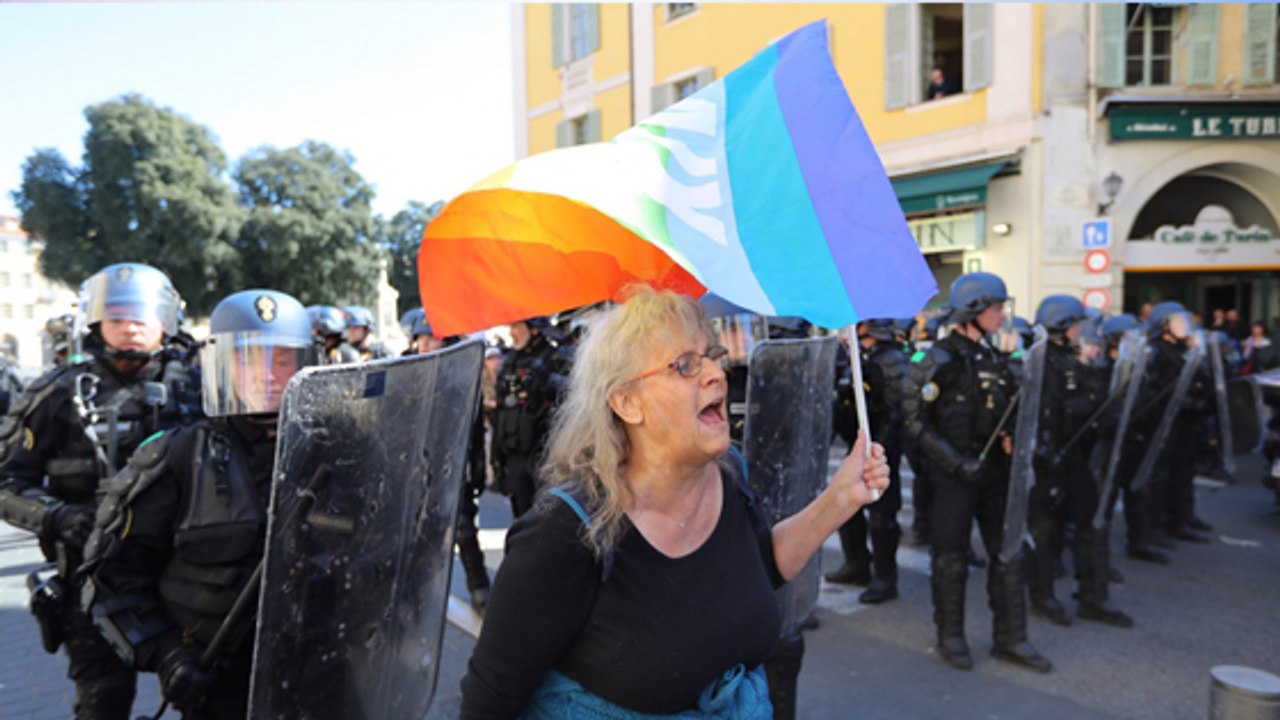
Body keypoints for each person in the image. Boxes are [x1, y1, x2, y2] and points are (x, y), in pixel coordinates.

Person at [459, 286, 889, 718]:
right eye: (685, 365)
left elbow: (759, 566)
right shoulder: (562, 532)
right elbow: (491, 699)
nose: (716, 374)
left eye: (712, 354)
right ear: (626, 403)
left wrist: (841, 497)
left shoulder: (730, 472)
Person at [81, 289, 316, 720]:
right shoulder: (177, 457)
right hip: (219, 683)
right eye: (249, 359)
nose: (267, 374)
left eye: (282, 359)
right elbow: (111, 577)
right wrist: (167, 655)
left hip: (325, 674)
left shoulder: (341, 454)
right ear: (222, 365)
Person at [0, 262, 201, 720]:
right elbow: (6, 480)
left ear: (166, 321)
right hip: (92, 577)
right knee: (103, 699)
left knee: (204, 689)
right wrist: (58, 518)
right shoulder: (57, 393)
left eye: (141, 316)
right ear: (94, 322)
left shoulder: (198, 384)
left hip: (186, 573)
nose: (130, 326)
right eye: (116, 316)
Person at [903, 272, 1051, 673]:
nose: (1002, 314)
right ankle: (950, 636)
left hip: (994, 474)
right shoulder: (935, 358)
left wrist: (1009, 436)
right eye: (996, 306)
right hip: (953, 477)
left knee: (1008, 555)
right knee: (950, 558)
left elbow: (1002, 407)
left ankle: (1011, 638)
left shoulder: (994, 356)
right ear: (973, 309)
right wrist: (955, 462)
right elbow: (914, 421)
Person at [1026, 296, 1133, 629]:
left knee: (1091, 524)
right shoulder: (1040, 365)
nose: (1080, 330)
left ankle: (1093, 598)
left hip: (1074, 459)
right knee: (1046, 532)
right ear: (1060, 326)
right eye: (1075, 323)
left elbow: (1094, 409)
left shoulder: (1077, 363)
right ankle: (1043, 597)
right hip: (1048, 461)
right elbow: (1037, 417)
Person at [825, 319, 905, 605]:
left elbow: (897, 412)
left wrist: (876, 448)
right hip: (857, 446)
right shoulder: (855, 357)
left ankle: (885, 578)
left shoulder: (891, 360)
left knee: (882, 516)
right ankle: (856, 563)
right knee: (849, 507)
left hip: (881, 449)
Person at [491, 316, 565, 518]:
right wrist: (497, 461)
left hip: (547, 459)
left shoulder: (557, 358)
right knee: (521, 518)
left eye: (516, 326)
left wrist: (548, 382)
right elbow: (500, 412)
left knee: (550, 519)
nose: (511, 332)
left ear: (534, 329)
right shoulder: (509, 362)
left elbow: (573, 398)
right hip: (515, 456)